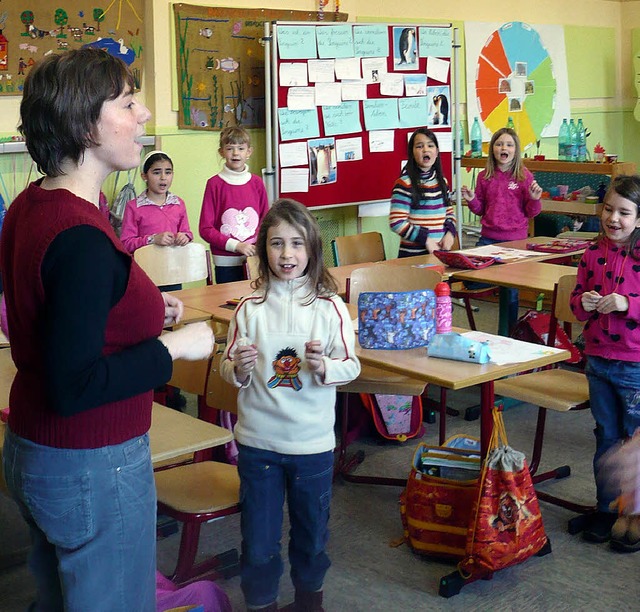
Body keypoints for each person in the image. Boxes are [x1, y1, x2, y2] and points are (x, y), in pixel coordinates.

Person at [0, 48, 214, 611]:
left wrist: (141, 314)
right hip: (90, 466)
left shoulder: (35, 203)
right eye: (128, 102)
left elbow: (71, 311)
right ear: (83, 123)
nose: (144, 116)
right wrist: (175, 347)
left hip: (37, 451)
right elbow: (76, 384)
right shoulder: (81, 237)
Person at [220, 199, 360, 612]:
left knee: (311, 536)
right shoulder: (249, 309)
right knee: (258, 541)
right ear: (263, 250)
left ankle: (308, 601)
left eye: (297, 244)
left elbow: (351, 366)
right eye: (277, 244)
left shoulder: (329, 307)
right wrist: (239, 369)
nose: (287, 255)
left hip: (312, 446)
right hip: (258, 444)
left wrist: (325, 367)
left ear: (312, 249)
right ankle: (260, 602)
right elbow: (227, 368)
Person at [569, 174, 640, 549]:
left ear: (639, 218)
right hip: (598, 360)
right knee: (606, 438)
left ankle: (635, 513)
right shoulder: (592, 252)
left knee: (634, 444)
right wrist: (582, 303)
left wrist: (627, 303)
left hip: (634, 365)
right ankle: (607, 508)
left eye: (624, 213)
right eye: (609, 210)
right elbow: (576, 302)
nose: (614, 218)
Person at [461, 127, 543, 328]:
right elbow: (481, 209)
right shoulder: (484, 176)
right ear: (493, 150)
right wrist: (472, 200)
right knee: (470, 279)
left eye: (509, 144)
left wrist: (535, 199)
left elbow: (532, 212)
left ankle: (508, 330)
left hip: (515, 241)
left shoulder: (524, 176)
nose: (503, 148)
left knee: (511, 291)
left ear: (516, 150)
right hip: (488, 239)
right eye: (498, 144)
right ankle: (498, 281)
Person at [199, 126, 269, 284]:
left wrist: (254, 247)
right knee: (229, 305)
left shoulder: (257, 183)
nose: (236, 153)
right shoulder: (214, 184)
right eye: (230, 148)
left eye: (241, 148)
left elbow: (266, 220)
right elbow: (205, 228)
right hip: (226, 262)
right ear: (221, 152)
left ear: (249, 152)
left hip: (254, 259)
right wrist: (236, 245)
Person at [389, 127, 456, 258]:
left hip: (440, 254)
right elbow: (396, 222)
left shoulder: (442, 182)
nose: (425, 149)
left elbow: (449, 213)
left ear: (436, 152)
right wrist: (425, 239)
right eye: (419, 146)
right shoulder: (404, 184)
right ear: (412, 153)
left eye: (430, 145)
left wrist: (450, 233)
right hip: (413, 257)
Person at [120, 150, 193, 259]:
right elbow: (126, 244)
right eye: (156, 172)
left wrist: (185, 237)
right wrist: (153, 239)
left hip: (174, 265)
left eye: (168, 172)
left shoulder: (178, 204)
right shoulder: (134, 207)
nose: (163, 177)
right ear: (144, 176)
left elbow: (187, 233)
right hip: (146, 268)